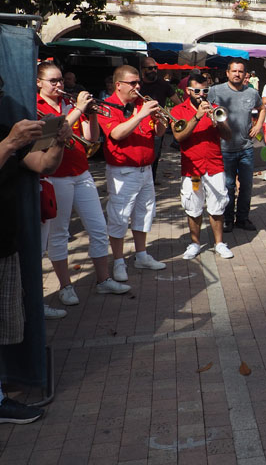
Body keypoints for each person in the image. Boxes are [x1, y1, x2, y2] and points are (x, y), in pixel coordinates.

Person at [1, 76, 69, 424]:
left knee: (4, 325)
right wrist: (10, 142)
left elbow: (43, 165)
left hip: (4, 242)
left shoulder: (2, 127)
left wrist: (57, 142)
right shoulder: (6, 135)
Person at [37, 63, 130, 311]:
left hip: (81, 172)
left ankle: (103, 280)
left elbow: (90, 138)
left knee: (99, 228)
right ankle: (66, 286)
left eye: (60, 81)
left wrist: (91, 113)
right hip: (56, 176)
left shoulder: (68, 103)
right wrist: (78, 108)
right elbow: (56, 132)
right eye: (53, 81)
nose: (59, 85)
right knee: (59, 235)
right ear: (39, 83)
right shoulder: (37, 106)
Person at [97, 65, 168, 282]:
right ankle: (118, 261)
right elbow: (117, 134)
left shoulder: (141, 104)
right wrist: (141, 114)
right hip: (122, 171)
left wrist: (160, 120)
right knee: (119, 217)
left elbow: (159, 133)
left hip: (145, 169)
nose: (138, 87)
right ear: (119, 85)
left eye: (139, 83)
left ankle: (141, 255)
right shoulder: (106, 106)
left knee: (144, 214)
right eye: (133, 83)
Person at [172, 73, 234, 260]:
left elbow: (228, 136)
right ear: (188, 91)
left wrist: (219, 124)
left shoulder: (216, 109)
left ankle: (219, 243)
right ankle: (195, 243)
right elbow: (179, 137)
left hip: (214, 164)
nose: (201, 94)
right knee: (193, 206)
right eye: (197, 90)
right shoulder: (178, 111)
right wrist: (197, 117)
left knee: (217, 206)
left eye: (205, 90)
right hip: (192, 168)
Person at [208, 59, 265, 232]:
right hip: (224, 149)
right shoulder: (216, 91)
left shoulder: (251, 92)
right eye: (234, 71)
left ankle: (242, 218)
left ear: (245, 74)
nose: (237, 74)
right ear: (227, 73)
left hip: (246, 147)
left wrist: (258, 126)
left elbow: (262, 108)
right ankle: (227, 219)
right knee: (229, 186)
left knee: (247, 186)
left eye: (240, 71)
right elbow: (207, 110)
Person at [139, 58, 180, 184]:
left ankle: (151, 179)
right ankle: (142, 178)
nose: (154, 70)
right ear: (143, 70)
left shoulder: (163, 84)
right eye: (150, 68)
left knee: (155, 153)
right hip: (140, 123)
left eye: (155, 68)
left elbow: (177, 101)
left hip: (158, 123)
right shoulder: (138, 85)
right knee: (141, 152)